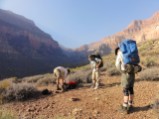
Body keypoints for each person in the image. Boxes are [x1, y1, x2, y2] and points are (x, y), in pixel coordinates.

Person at [115, 47, 135, 114]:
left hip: (125, 74)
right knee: (131, 89)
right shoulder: (130, 52)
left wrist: (122, 72)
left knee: (125, 90)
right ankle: (130, 105)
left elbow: (117, 64)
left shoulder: (120, 53)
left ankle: (125, 107)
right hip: (132, 73)